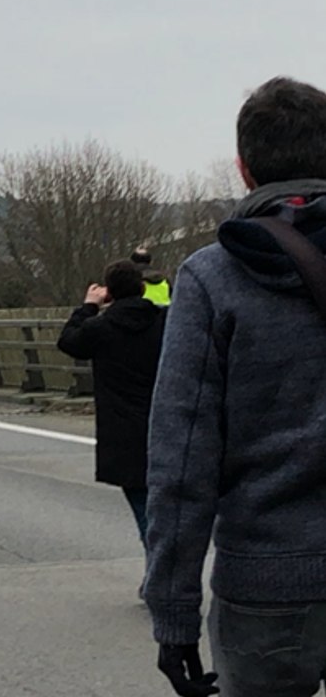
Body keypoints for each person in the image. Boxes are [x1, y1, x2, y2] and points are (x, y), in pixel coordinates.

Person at [146, 76, 326, 697]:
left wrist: (173, 613)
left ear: (244, 168)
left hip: (265, 583)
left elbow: (181, 461)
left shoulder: (213, 278)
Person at [57, 261, 165, 577]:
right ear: (142, 288)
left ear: (109, 293)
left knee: (144, 507)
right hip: (167, 424)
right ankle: (165, 572)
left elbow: (68, 341)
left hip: (123, 432)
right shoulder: (166, 322)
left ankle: (160, 576)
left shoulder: (100, 329)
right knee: (168, 505)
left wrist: (89, 307)